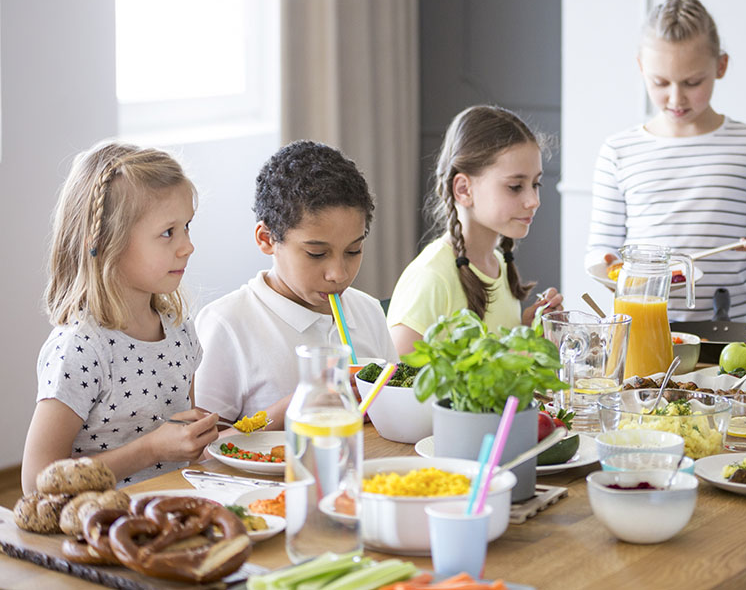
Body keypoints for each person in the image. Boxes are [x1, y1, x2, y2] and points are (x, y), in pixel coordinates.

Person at [585, 0, 746, 321]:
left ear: (721, 66)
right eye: (660, 82)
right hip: (644, 326)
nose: (676, 97)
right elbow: (600, 253)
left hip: (728, 333)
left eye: (692, 82)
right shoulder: (618, 151)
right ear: (642, 67)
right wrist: (608, 267)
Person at [22, 142, 219, 490]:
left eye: (187, 226)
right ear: (105, 241)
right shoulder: (81, 350)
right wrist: (151, 449)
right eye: (167, 232)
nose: (188, 246)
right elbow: (37, 482)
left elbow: (182, 446)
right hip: (98, 527)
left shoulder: (178, 329)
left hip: (170, 513)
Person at [195, 141, 397, 428]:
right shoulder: (228, 323)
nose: (338, 274)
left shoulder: (368, 311)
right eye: (316, 253)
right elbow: (203, 451)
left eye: (353, 250)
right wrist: (297, 405)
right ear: (266, 239)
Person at [388, 105, 563, 356]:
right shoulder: (431, 278)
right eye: (515, 186)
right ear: (463, 190)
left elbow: (492, 363)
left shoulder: (498, 265)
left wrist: (526, 330)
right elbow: (394, 383)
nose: (533, 200)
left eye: (536, 184)